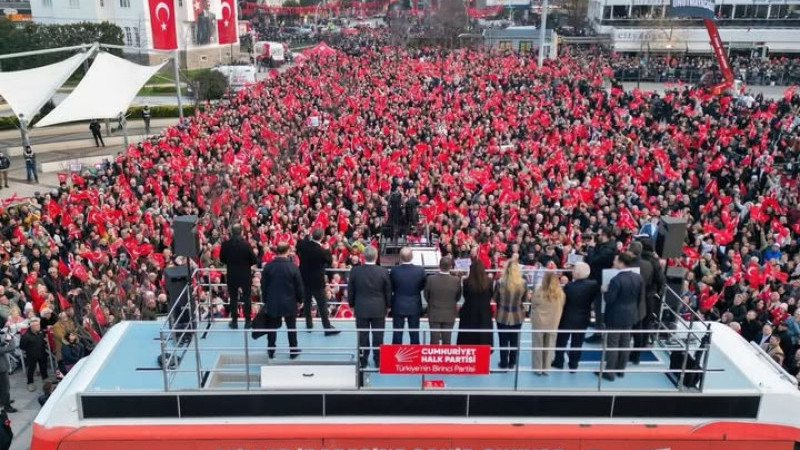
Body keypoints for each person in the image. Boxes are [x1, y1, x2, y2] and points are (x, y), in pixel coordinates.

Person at [599, 252, 642, 381]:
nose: (613, 262)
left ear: (622, 262)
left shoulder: (616, 280)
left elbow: (609, 299)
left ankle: (610, 372)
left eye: (616, 261)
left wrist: (604, 291)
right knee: (625, 342)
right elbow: (640, 298)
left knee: (612, 344)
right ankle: (620, 370)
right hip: (630, 314)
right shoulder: (638, 277)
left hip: (615, 316)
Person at [347, 245, 390, 367]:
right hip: (378, 308)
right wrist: (388, 306)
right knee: (378, 335)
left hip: (361, 308)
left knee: (363, 335)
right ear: (376, 257)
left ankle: (363, 361)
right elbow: (388, 291)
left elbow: (351, 290)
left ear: (363, 256)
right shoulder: (383, 271)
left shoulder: (355, 271)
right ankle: (378, 361)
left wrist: (351, 305)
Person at [260, 242, 304, 359]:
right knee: (291, 327)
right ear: (288, 251)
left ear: (277, 251)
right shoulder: (293, 267)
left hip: (272, 301)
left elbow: (263, 285)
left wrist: (265, 299)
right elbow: (299, 286)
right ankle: (293, 350)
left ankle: (271, 350)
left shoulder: (268, 267)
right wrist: (300, 300)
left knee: (271, 327)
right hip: (289, 302)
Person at [553, 262, 600, 371]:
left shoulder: (569, 286)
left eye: (574, 270)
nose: (572, 272)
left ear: (578, 274)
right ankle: (573, 365)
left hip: (567, 317)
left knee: (561, 341)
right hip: (583, 318)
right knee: (577, 343)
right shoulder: (593, 285)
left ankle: (559, 362)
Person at [296, 228, 338, 334]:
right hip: (317, 282)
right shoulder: (321, 251)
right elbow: (329, 261)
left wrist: (306, 237)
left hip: (305, 279)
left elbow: (298, 246)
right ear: (322, 237)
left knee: (307, 302)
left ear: (312, 235)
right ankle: (327, 328)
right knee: (322, 305)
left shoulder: (304, 245)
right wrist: (328, 249)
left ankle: (309, 325)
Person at [219, 224, 258, 329]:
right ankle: (248, 322)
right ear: (241, 232)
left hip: (232, 274)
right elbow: (254, 260)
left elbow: (222, 259)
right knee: (247, 298)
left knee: (233, 299)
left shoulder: (226, 244)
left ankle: (235, 321)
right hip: (245, 274)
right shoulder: (246, 245)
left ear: (232, 232)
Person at [584, 227, 617, 342]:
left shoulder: (608, 249)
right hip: (595, 278)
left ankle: (599, 333)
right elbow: (588, 259)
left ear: (605, 235)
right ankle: (597, 325)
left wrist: (592, 248)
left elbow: (593, 260)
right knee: (595, 305)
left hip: (601, 281)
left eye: (599, 235)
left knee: (599, 307)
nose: (597, 237)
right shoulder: (602, 246)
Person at [389, 247, 426, 344]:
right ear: (412, 256)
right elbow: (422, 286)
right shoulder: (420, 270)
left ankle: (395, 357)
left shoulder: (394, 271)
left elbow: (392, 287)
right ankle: (415, 358)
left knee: (397, 333)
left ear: (400, 257)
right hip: (414, 304)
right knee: (414, 333)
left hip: (398, 304)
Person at [530, 272, 565, 375]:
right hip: (553, 322)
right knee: (549, 345)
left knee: (538, 345)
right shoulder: (561, 294)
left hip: (539, 322)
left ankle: (537, 368)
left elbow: (533, 304)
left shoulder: (538, 292)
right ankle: (546, 368)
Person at [494, 258, 526, 369]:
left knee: (503, 340)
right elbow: (525, 298)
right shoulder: (523, 283)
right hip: (517, 315)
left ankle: (503, 363)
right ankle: (512, 362)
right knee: (514, 340)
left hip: (502, 314)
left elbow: (495, 298)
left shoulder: (500, 282)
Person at [424, 256, 462, 345]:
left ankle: (433, 358)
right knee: (447, 341)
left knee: (434, 341)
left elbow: (426, 296)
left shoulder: (431, 279)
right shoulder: (456, 280)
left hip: (434, 313)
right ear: (451, 267)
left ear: (439, 266)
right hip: (449, 314)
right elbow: (458, 297)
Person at [628, 241, 655, 365]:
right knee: (638, 330)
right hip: (642, 301)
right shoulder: (648, 265)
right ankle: (636, 356)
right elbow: (650, 282)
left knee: (625, 331)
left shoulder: (627, 264)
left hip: (628, 301)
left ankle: (621, 355)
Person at [457, 258, 493, 346]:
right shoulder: (489, 282)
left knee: (468, 339)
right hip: (484, 313)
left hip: (469, 312)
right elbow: (491, 295)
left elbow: (465, 296)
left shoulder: (466, 282)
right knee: (483, 338)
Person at [20, 317, 49, 392]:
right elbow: (22, 346)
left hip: (42, 353)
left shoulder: (41, 331)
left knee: (43, 366)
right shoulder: (26, 336)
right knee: (31, 369)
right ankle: (30, 383)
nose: (38, 327)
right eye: (36, 326)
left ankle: (45, 378)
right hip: (31, 355)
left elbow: (43, 340)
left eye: (38, 325)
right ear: (32, 327)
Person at [0, 332, 16, 413]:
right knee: (5, 388)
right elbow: (11, 348)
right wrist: (11, 339)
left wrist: (5, 341)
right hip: (1, 369)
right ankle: (7, 406)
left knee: (2, 387)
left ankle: (3, 401)